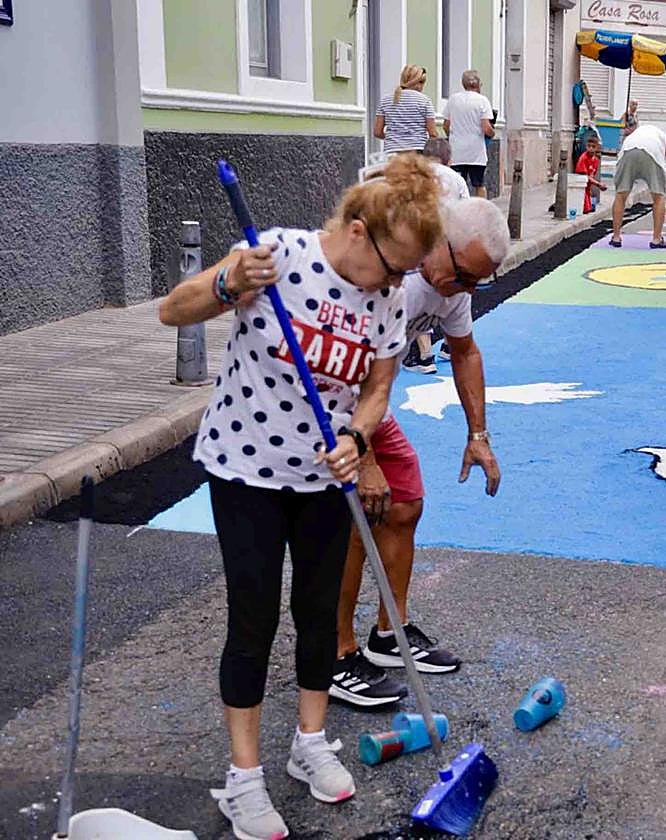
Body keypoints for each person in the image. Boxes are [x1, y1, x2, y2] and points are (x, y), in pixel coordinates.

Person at [158, 155, 443, 840]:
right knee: (252, 620)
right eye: (394, 267)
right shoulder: (278, 256)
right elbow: (174, 310)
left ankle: (309, 743)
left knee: (318, 614)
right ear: (357, 231)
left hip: (324, 478)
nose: (398, 283)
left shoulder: (387, 299)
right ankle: (244, 779)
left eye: (407, 273)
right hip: (245, 470)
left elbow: (377, 387)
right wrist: (229, 283)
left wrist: (357, 436)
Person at [333, 198, 509, 706]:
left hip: (369, 402)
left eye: (478, 282)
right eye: (464, 277)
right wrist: (364, 460)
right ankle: (334, 654)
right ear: (437, 243)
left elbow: (465, 351)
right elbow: (345, 372)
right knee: (353, 517)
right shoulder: (392, 279)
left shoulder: (451, 282)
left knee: (405, 500)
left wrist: (478, 436)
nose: (466, 290)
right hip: (324, 402)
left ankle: (389, 633)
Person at [401, 138, 470, 376]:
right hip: (451, 244)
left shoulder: (416, 178)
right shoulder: (457, 179)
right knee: (453, 292)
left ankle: (424, 356)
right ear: (448, 159)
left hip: (425, 243)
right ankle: (450, 347)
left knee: (423, 295)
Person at [609, 123, 666, 249]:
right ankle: (656, 239)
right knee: (658, 197)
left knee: (620, 195)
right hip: (652, 154)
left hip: (628, 151)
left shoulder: (634, 135)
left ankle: (616, 237)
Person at [444, 69, 495, 198]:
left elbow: (446, 125)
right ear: (478, 84)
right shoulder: (482, 101)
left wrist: (452, 136)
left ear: (463, 84)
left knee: (455, 185)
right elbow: (486, 127)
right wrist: (492, 133)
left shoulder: (453, 100)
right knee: (479, 185)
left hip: (456, 151)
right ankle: (480, 208)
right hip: (476, 152)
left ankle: (456, 207)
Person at [374, 65, 437, 155]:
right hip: (417, 151)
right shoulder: (425, 101)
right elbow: (433, 133)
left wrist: (393, 139)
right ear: (420, 82)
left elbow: (377, 132)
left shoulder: (385, 100)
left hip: (392, 151)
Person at [576, 133, 605, 213]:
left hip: (588, 188)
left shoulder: (596, 160)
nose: (591, 149)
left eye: (593, 147)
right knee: (586, 209)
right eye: (589, 146)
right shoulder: (583, 158)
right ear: (586, 147)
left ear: (597, 147)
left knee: (590, 208)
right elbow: (584, 177)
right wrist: (598, 184)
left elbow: (592, 175)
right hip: (581, 186)